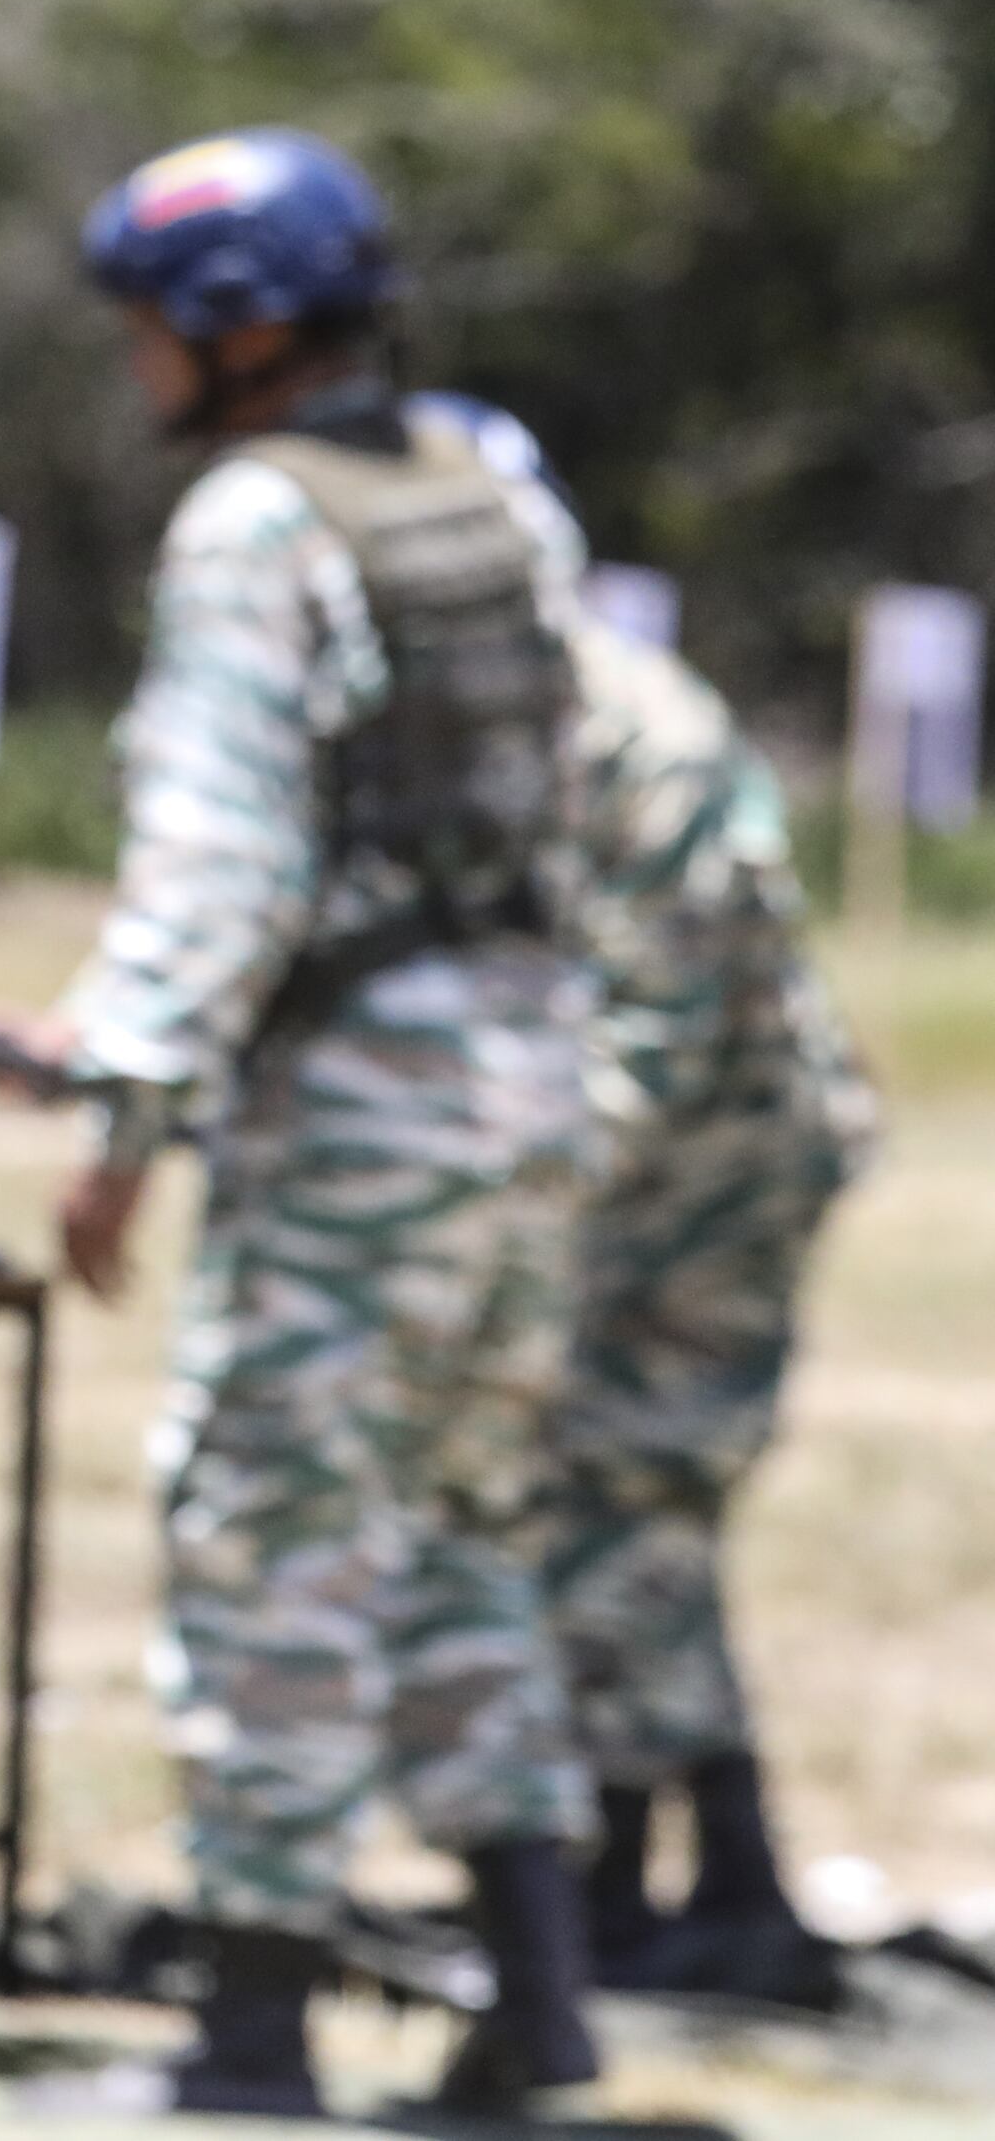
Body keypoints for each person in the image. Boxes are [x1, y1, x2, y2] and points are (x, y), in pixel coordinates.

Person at [12, 132, 605, 2121]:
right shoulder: (488, 486)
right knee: (468, 1534)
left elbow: (220, 861)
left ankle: (250, 2039)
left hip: (354, 1103)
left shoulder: (259, 521)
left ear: (237, 323)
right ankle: (539, 2002)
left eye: (145, 329)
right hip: (531, 1072)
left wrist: (121, 1111)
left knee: (269, 1538)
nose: (133, 368)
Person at [413, 399, 877, 2007]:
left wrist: (508, 1205)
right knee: (607, 1507)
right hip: (634, 1171)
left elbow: (662, 1035)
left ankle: (690, 1886)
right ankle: (649, 1868)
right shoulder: (515, 711)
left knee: (632, 1498)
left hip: (717, 1178)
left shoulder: (634, 732)